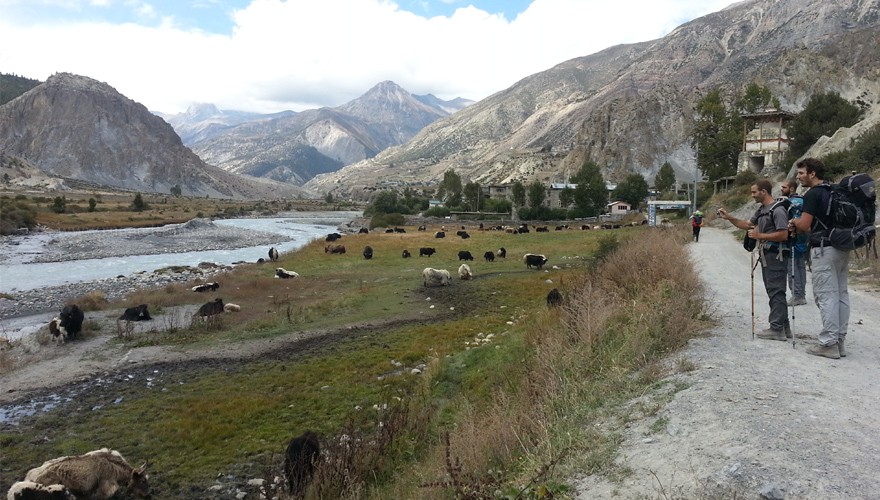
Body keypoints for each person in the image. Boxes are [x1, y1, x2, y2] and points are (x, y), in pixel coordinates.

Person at [718, 179, 791, 340]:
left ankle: (777, 329)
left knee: (776, 291)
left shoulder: (777, 210)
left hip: (776, 255)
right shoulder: (762, 210)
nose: (752, 195)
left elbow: (783, 234)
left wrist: (759, 235)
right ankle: (783, 328)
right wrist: (729, 217)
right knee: (774, 290)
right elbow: (747, 224)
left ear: (763, 192)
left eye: (754, 192)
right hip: (767, 255)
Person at [790, 158, 847, 359]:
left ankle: (828, 343)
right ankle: (839, 341)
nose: (798, 177)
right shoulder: (834, 190)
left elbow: (805, 226)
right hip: (841, 246)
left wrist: (794, 222)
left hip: (823, 249)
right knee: (841, 294)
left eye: (801, 173)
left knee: (826, 295)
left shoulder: (813, 194)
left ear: (812, 173)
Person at [780, 179, 808, 306]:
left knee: (792, 266)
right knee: (801, 266)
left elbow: (791, 220)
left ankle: (796, 295)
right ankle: (801, 293)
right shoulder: (803, 200)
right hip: (805, 237)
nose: (781, 189)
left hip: (793, 237)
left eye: (784, 187)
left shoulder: (790, 203)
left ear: (791, 188)